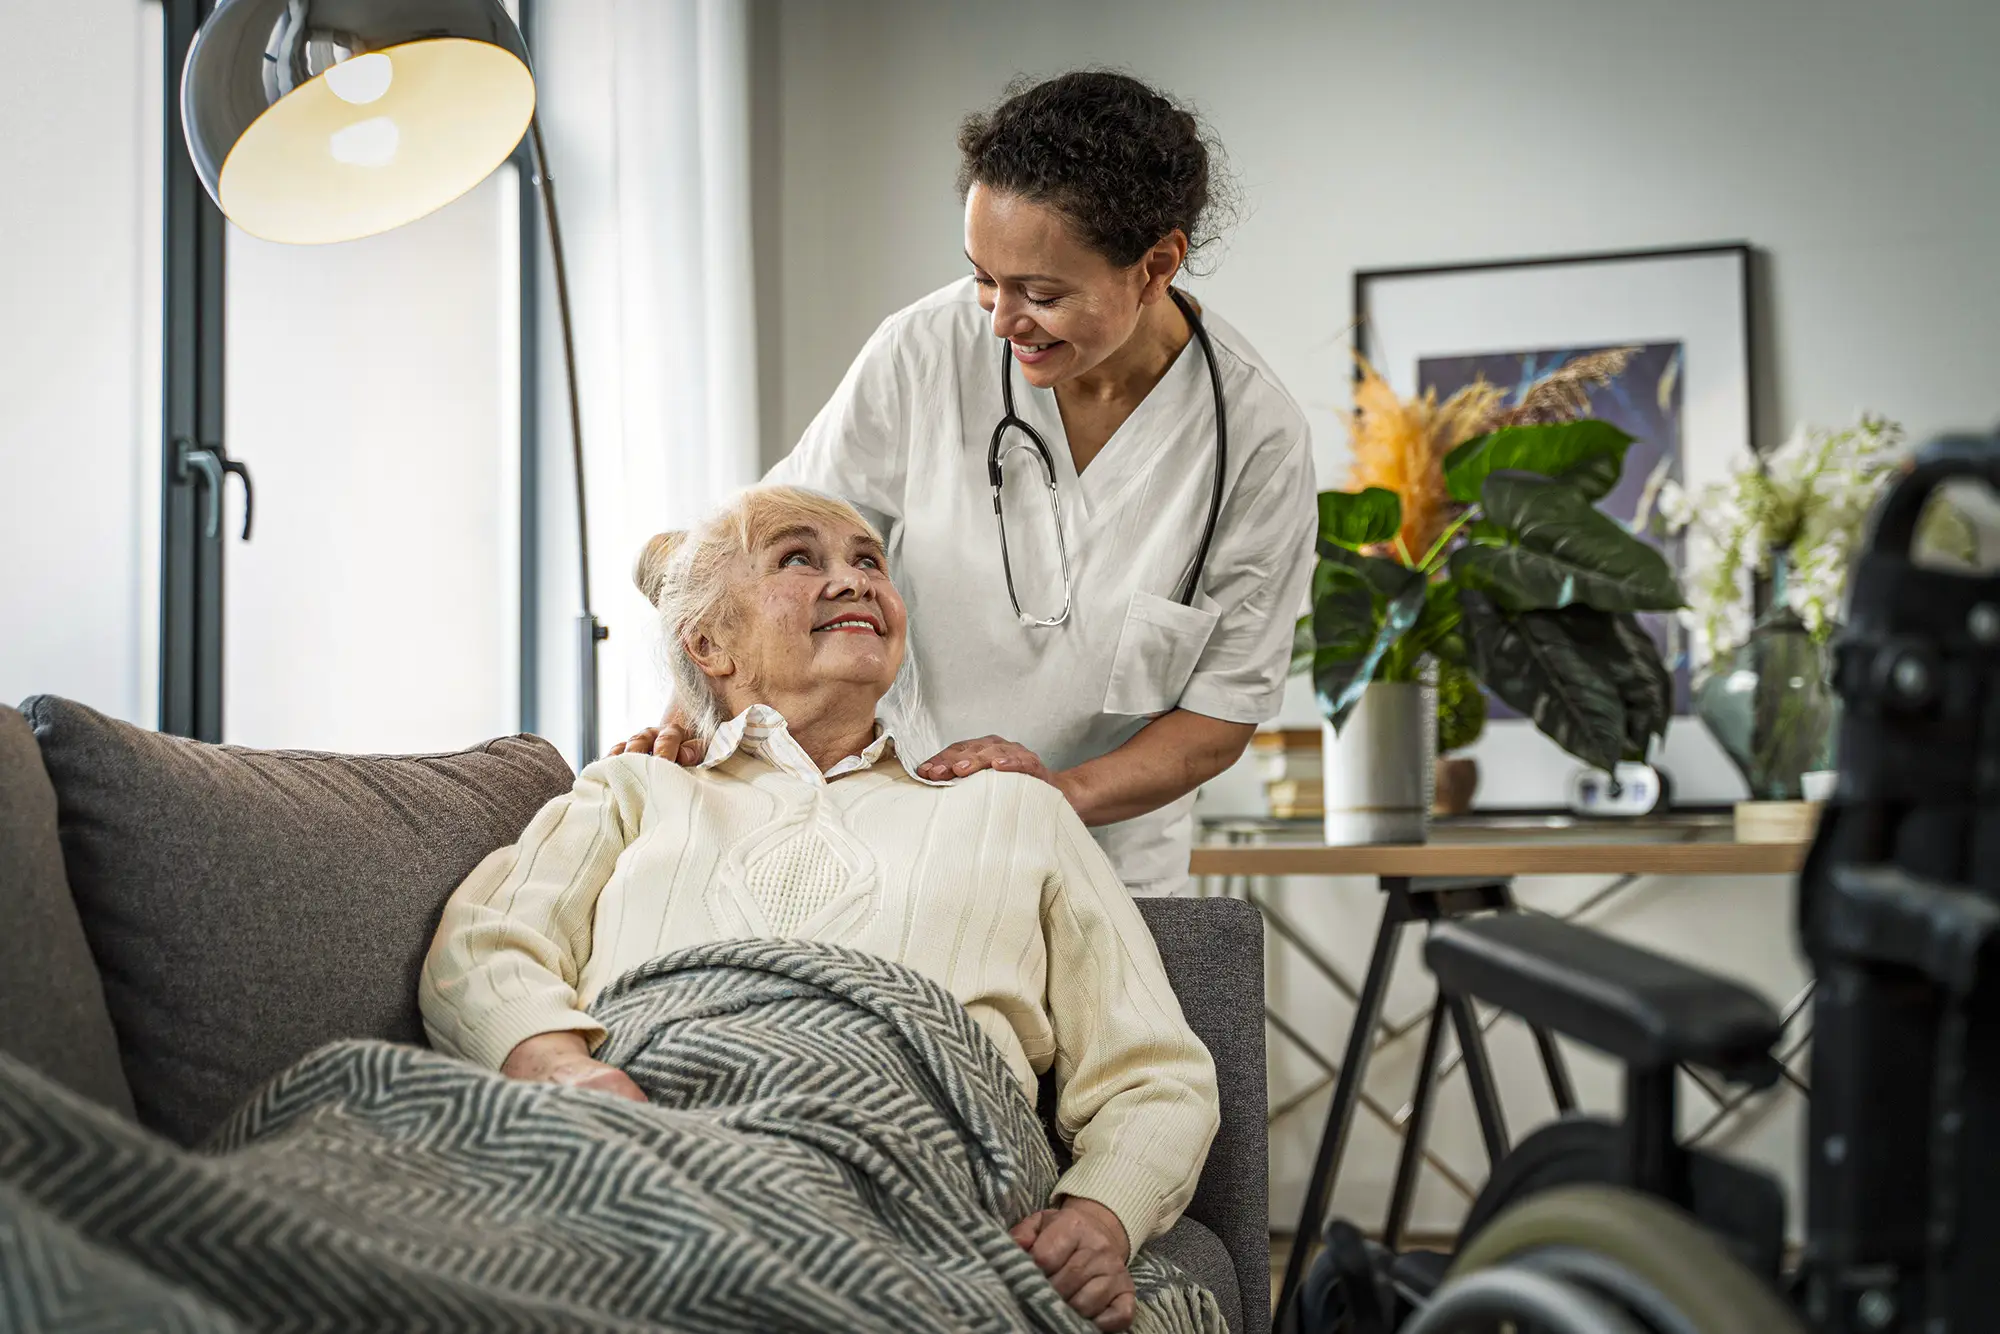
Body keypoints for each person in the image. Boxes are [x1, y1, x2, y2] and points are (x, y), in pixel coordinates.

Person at [421, 485, 1221, 1333]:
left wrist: (1100, 1217)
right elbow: (482, 946)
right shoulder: (634, 787)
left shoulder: (1013, 808)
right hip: (648, 1146)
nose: (854, 581)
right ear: (710, 644)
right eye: (799, 558)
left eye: (868, 561)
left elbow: (1156, 1073)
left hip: (923, 1167)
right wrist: (561, 1068)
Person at [614, 71, 1316, 898]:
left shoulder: (1255, 441)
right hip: (882, 824)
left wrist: (1054, 795)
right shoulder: (926, 350)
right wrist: (688, 712)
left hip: (1099, 864)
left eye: (1043, 293)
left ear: (1156, 264)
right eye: (985, 276)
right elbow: (765, 555)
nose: (999, 320)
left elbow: (1215, 723)